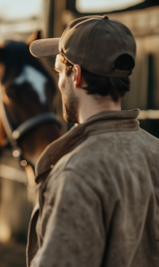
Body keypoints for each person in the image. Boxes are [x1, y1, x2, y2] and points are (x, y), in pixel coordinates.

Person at [26, 15, 159, 266]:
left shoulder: (76, 173)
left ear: (75, 75)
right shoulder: (156, 151)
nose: (58, 82)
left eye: (59, 71)